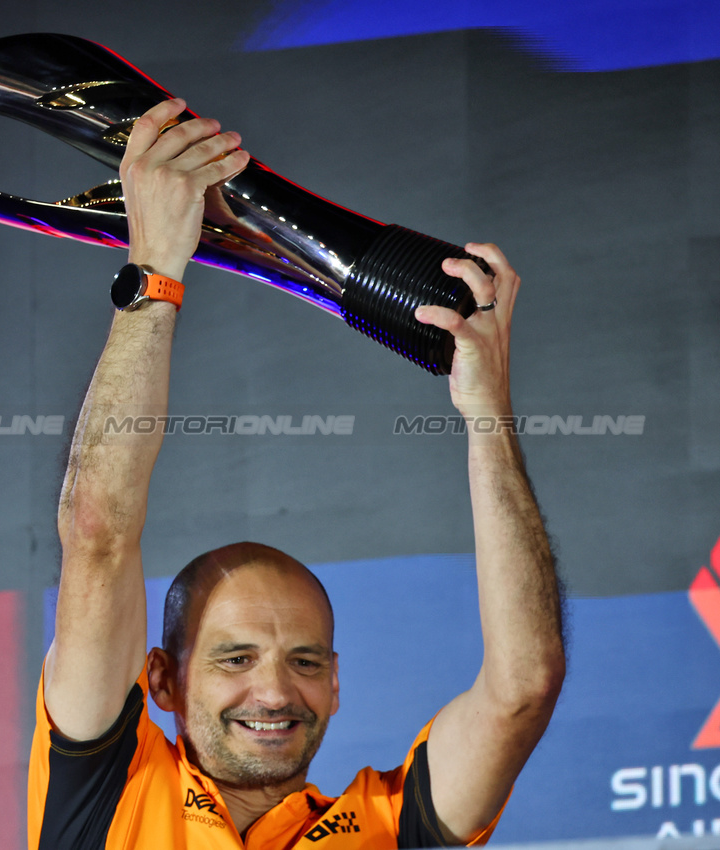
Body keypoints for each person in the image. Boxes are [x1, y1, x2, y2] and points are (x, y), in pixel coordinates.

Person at [28, 97, 566, 849]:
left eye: (304, 661)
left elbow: (522, 689)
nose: (275, 692)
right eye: (234, 658)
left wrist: (487, 414)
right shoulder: (108, 790)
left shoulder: (390, 828)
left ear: (337, 684)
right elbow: (97, 533)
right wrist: (153, 271)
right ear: (161, 680)